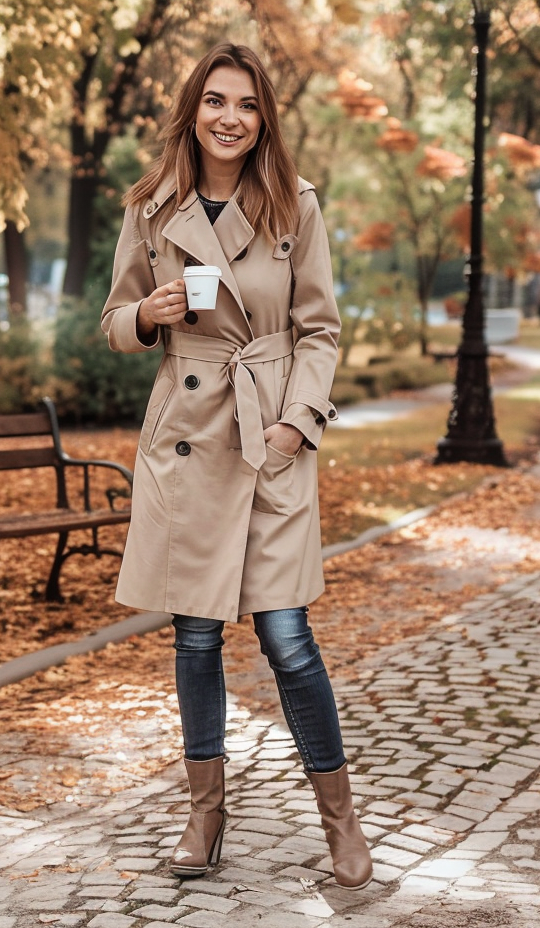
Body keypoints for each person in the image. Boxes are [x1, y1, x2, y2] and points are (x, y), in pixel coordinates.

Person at [100, 43, 372, 890]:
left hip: (271, 440)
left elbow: (321, 330)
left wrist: (298, 424)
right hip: (187, 436)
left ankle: (340, 820)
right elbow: (111, 318)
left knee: (288, 638)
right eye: (215, 101)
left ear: (264, 121)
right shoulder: (151, 207)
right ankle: (204, 811)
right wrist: (146, 313)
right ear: (194, 111)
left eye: (247, 105)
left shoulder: (296, 206)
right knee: (194, 633)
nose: (230, 117)